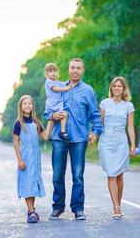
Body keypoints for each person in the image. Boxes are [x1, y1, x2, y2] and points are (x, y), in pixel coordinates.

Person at [44, 58, 103, 220]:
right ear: (68, 70)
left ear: (82, 71)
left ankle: (78, 209)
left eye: (78, 68)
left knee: (77, 175)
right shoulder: (58, 87)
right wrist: (51, 115)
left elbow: (95, 115)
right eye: (72, 68)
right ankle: (57, 207)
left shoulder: (88, 91)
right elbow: (48, 107)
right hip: (58, 137)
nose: (75, 70)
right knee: (57, 175)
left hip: (79, 138)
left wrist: (95, 132)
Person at [98, 76, 135, 219]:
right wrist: (93, 135)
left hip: (121, 141)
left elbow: (130, 127)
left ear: (124, 88)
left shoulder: (128, 106)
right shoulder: (104, 104)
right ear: (111, 88)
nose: (116, 88)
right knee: (111, 174)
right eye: (114, 86)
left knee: (120, 175)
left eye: (119, 86)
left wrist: (133, 145)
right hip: (106, 141)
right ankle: (116, 207)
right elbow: (99, 124)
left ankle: (118, 204)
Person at [13, 95, 48, 223]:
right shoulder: (19, 123)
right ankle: (31, 211)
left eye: (29, 103)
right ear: (21, 107)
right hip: (26, 155)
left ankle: (31, 210)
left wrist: (51, 120)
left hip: (36, 155)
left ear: (32, 106)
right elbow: (16, 142)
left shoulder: (37, 122)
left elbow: (45, 137)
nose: (27, 105)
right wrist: (20, 160)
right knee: (27, 181)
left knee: (33, 181)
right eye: (24, 104)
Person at [44, 63, 73, 141]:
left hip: (56, 103)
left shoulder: (56, 82)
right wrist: (66, 88)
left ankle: (50, 135)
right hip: (53, 104)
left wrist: (69, 81)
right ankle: (62, 132)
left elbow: (63, 84)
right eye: (50, 71)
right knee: (64, 114)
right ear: (46, 74)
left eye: (55, 71)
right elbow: (55, 89)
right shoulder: (49, 81)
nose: (53, 73)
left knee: (52, 120)